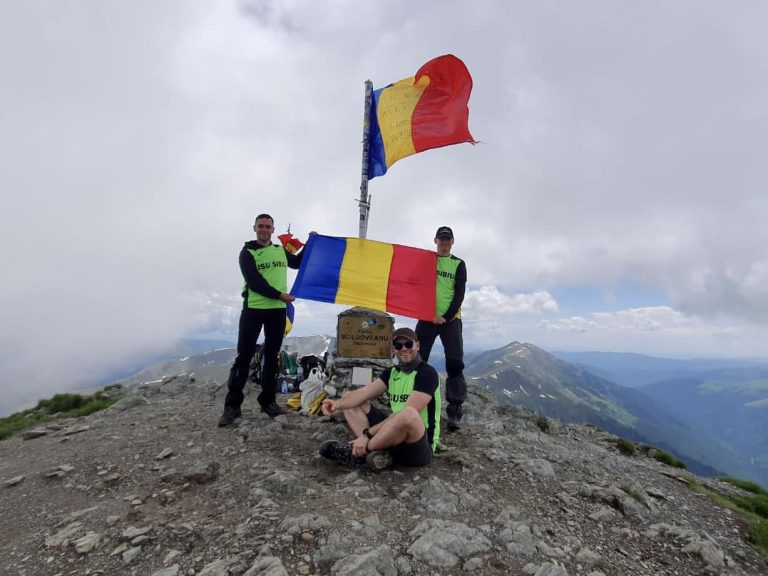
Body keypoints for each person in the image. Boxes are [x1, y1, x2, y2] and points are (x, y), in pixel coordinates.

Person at [218, 214, 303, 427]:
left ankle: (268, 401)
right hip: (253, 310)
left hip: (277, 312)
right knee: (244, 357)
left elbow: (298, 263)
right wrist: (280, 295)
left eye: (268, 226)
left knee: (272, 357)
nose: (264, 229)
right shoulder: (247, 253)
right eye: (260, 226)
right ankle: (232, 406)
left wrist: (312, 244)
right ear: (254, 228)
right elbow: (254, 282)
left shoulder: (280, 250)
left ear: (273, 230)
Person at [319, 327, 441, 470]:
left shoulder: (427, 373)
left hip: (419, 444)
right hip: (394, 434)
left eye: (408, 344)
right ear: (393, 349)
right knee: (350, 401)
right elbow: (363, 393)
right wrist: (337, 404)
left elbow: (408, 414)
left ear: (417, 346)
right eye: (398, 345)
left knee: (408, 414)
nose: (404, 349)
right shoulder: (392, 373)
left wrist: (367, 435)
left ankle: (359, 451)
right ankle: (377, 452)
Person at [415, 226, 467, 432]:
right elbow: (413, 283)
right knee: (417, 360)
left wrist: (444, 317)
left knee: (455, 363)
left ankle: (454, 412)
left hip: (451, 320)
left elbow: (459, 294)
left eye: (448, 239)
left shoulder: (459, 264)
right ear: (435, 240)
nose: (444, 242)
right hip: (426, 318)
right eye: (441, 238)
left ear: (452, 242)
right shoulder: (427, 261)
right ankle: (416, 405)